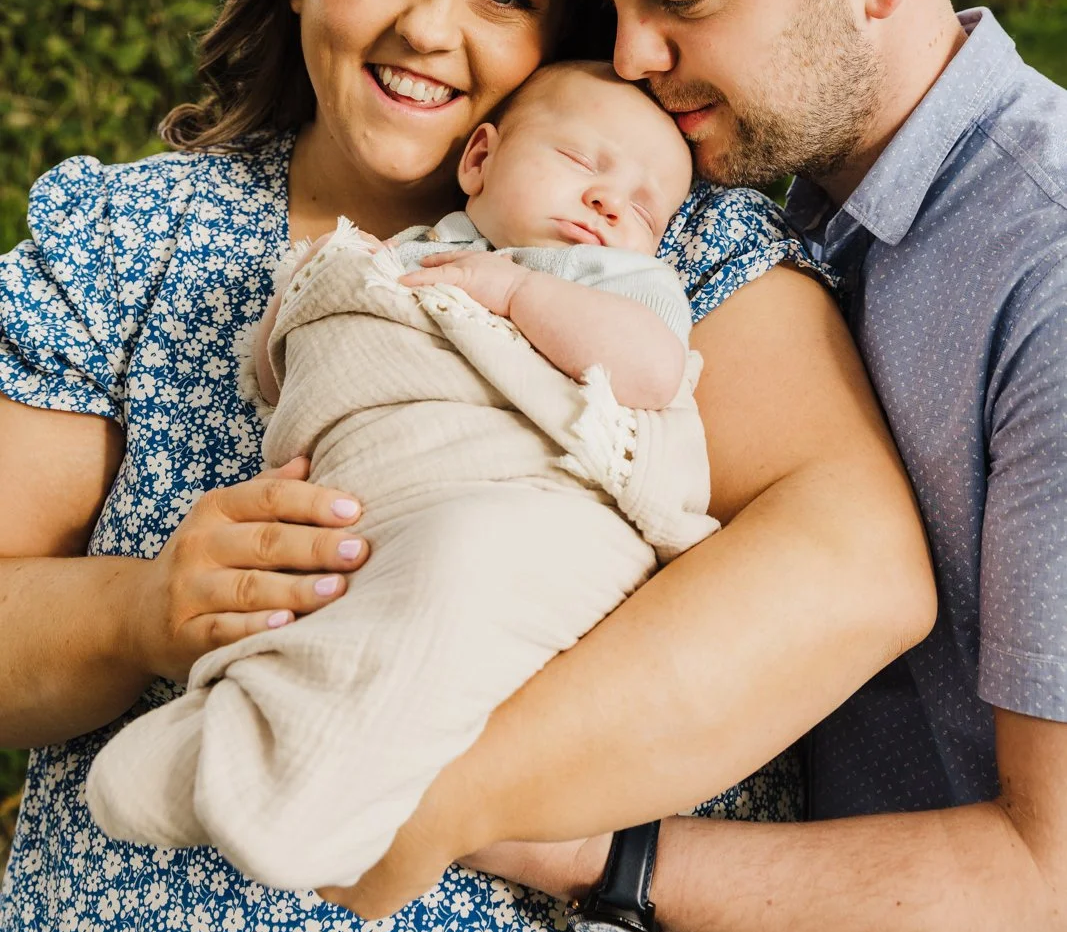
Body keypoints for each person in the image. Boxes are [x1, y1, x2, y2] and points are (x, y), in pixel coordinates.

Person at [0, 0, 932, 932]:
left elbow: (854, 569)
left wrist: (428, 797)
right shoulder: (131, 241)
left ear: (567, 26)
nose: (428, 28)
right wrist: (136, 609)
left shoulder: (664, 240)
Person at [362, 0, 1067, 932]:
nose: (632, 55)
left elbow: (1048, 884)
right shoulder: (757, 199)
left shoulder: (1043, 276)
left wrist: (587, 849)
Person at [87, 64, 715, 889]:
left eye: (643, 208)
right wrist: (311, 294)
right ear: (479, 160)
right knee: (334, 607)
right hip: (376, 496)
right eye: (580, 161)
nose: (608, 203)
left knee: (460, 570)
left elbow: (651, 373)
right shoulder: (414, 250)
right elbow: (290, 365)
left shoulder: (619, 280)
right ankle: (252, 730)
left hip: (529, 507)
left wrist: (516, 291)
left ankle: (306, 804)